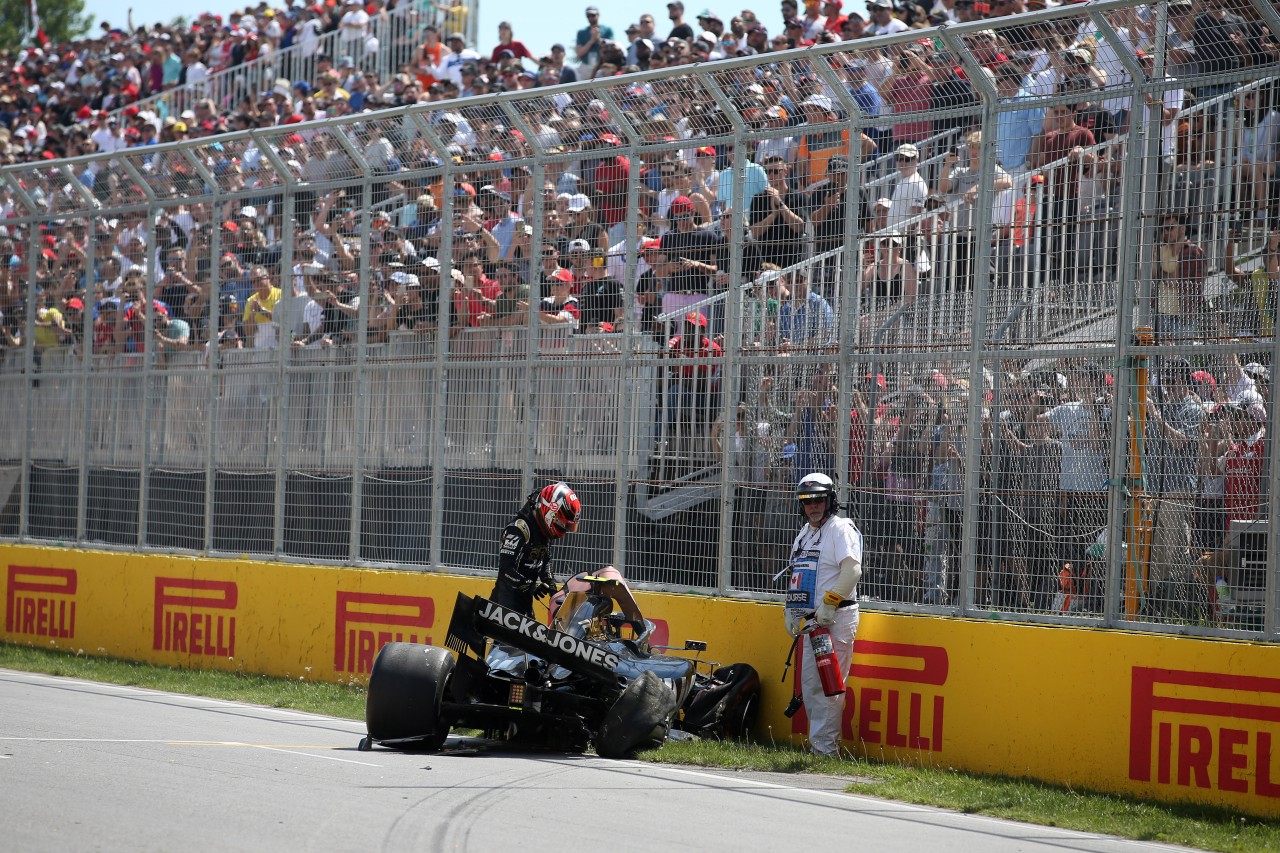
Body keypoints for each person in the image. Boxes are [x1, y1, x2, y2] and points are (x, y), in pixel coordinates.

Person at [783, 472, 862, 757]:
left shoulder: (840, 529)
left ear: (830, 501)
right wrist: (791, 610)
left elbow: (852, 571)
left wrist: (830, 603)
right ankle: (819, 746)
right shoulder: (804, 533)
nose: (813, 506)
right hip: (813, 623)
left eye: (819, 500)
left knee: (830, 685)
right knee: (812, 685)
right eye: (807, 501)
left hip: (836, 618)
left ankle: (825, 751)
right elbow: (797, 575)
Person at [491, 482, 582, 617]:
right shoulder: (518, 529)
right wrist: (530, 586)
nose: (565, 529)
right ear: (551, 514)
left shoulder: (543, 528)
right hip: (504, 604)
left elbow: (545, 557)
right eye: (563, 524)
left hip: (524, 603)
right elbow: (506, 570)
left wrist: (549, 581)